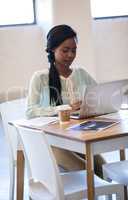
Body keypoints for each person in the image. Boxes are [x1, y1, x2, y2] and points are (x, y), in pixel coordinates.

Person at [26, 24, 106, 178]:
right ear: (52, 49)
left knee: (104, 169)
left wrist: (90, 104)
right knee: (89, 174)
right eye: (65, 50)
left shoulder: (81, 73)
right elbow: (30, 111)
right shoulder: (40, 77)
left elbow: (100, 95)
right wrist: (65, 108)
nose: (70, 55)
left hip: (78, 137)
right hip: (51, 142)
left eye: (74, 50)